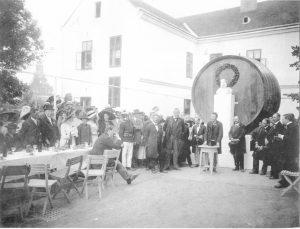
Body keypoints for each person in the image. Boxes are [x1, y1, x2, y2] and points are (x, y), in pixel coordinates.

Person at [275, 113, 299, 188]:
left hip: (289, 152)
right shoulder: (291, 126)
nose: (282, 120)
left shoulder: (292, 127)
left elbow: (291, 140)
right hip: (289, 152)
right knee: (287, 167)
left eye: (283, 119)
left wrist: (281, 136)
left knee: (287, 167)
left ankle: (286, 183)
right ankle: (285, 182)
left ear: (287, 119)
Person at [266, 113, 284, 179]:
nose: (273, 118)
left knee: (275, 161)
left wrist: (270, 140)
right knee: (272, 160)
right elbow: (269, 134)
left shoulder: (280, 125)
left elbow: (277, 136)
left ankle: (275, 175)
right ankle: (272, 173)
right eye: (273, 117)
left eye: (275, 117)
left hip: (276, 147)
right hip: (272, 146)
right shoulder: (274, 125)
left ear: (279, 117)